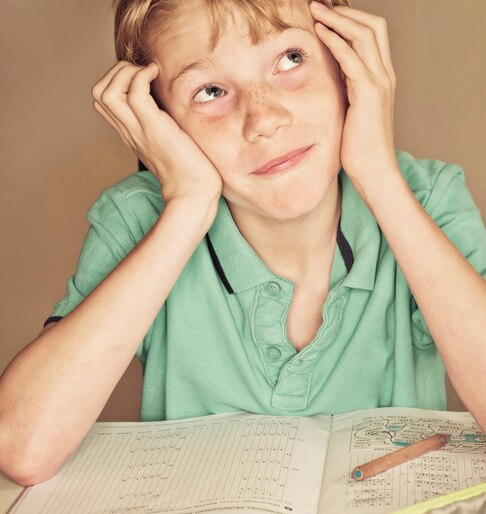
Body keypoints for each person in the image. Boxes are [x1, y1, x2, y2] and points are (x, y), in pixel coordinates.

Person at [0, 0, 485, 486]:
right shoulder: (138, 218)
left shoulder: (425, 198)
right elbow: (23, 448)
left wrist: (378, 173)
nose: (264, 119)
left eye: (291, 59)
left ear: (347, 64)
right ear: (159, 120)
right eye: (210, 91)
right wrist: (187, 205)